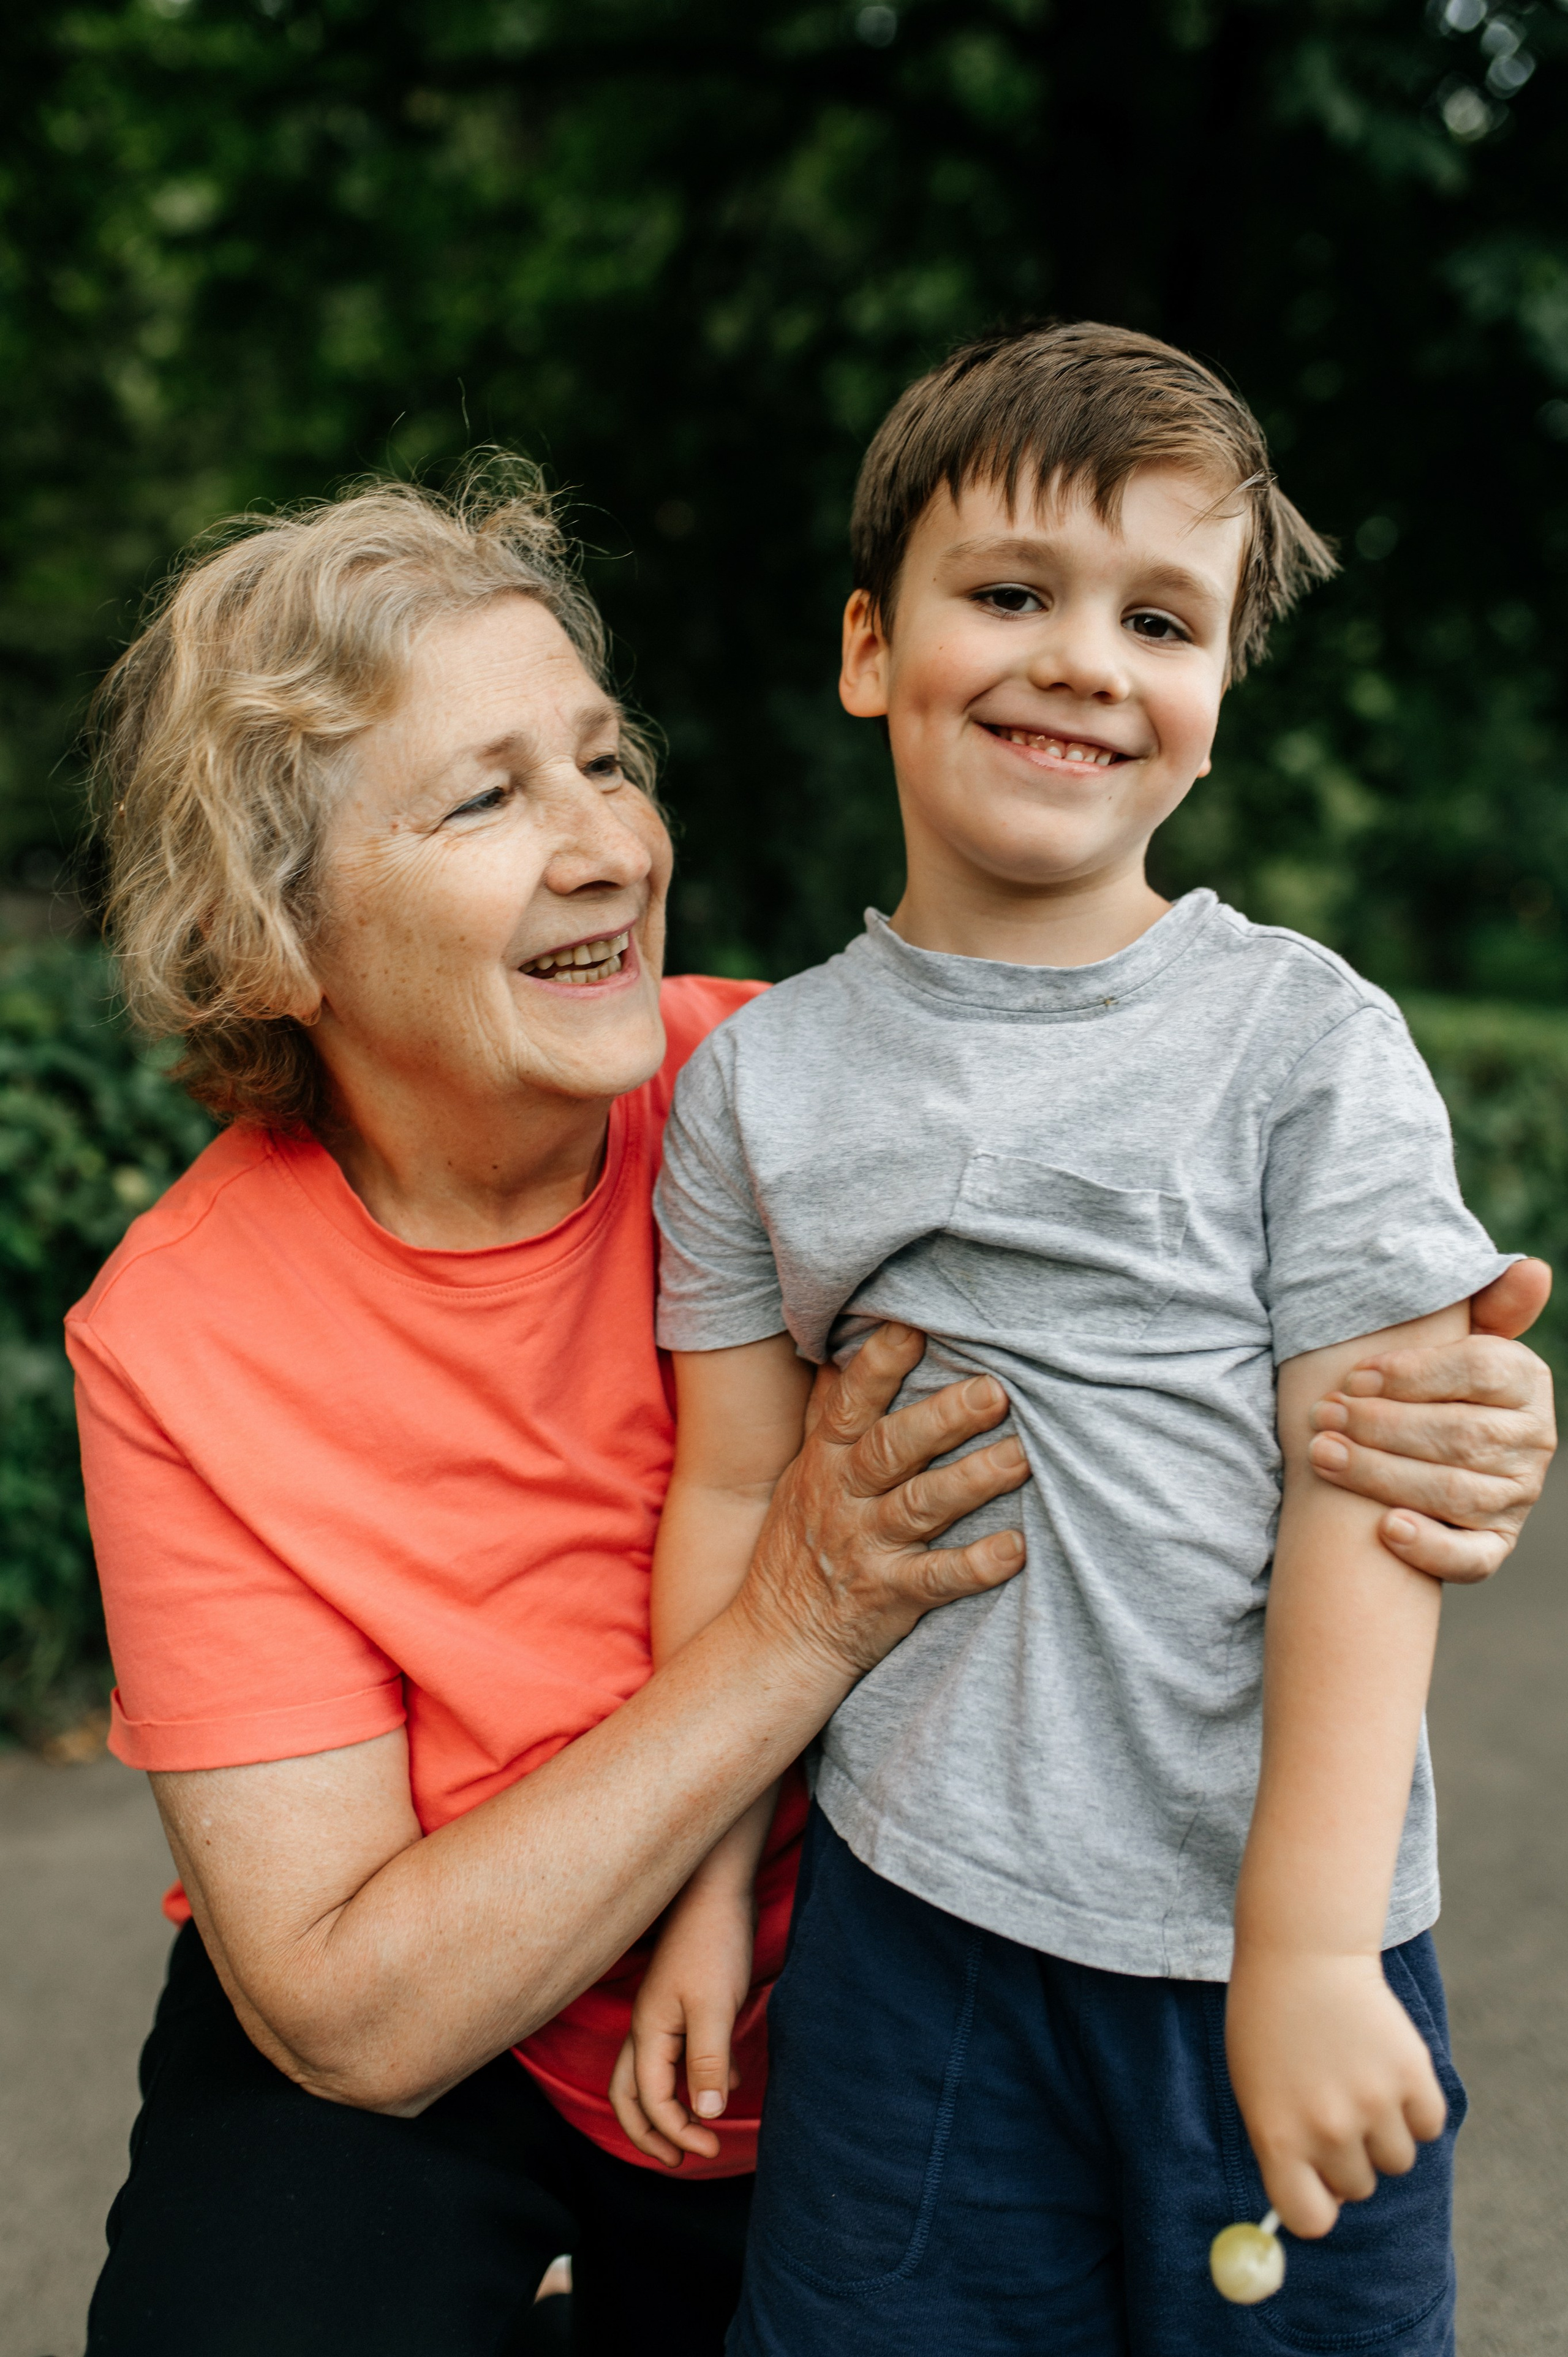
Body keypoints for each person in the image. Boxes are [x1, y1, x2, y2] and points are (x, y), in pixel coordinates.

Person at [67, 459, 1548, 2357]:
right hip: (477, 2005)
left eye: (604, 761)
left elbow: (1235, 1368)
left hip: (877, 1987)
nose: (609, 845)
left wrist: (1434, 1428)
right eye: (487, 798)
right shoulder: (182, 1338)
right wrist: (797, 1619)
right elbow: (352, 2018)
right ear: (274, 929)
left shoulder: (815, 1099)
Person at [612, 324, 1551, 2355]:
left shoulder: (1308, 1045)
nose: (1085, 662)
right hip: (910, 1938)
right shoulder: (756, 1087)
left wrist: (1306, 1947)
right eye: (1013, 593)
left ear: (1215, 701)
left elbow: (1375, 1494)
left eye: (1160, 620)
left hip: (1275, 1934)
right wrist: (701, 1900)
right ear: (872, 647)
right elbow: (737, 1497)